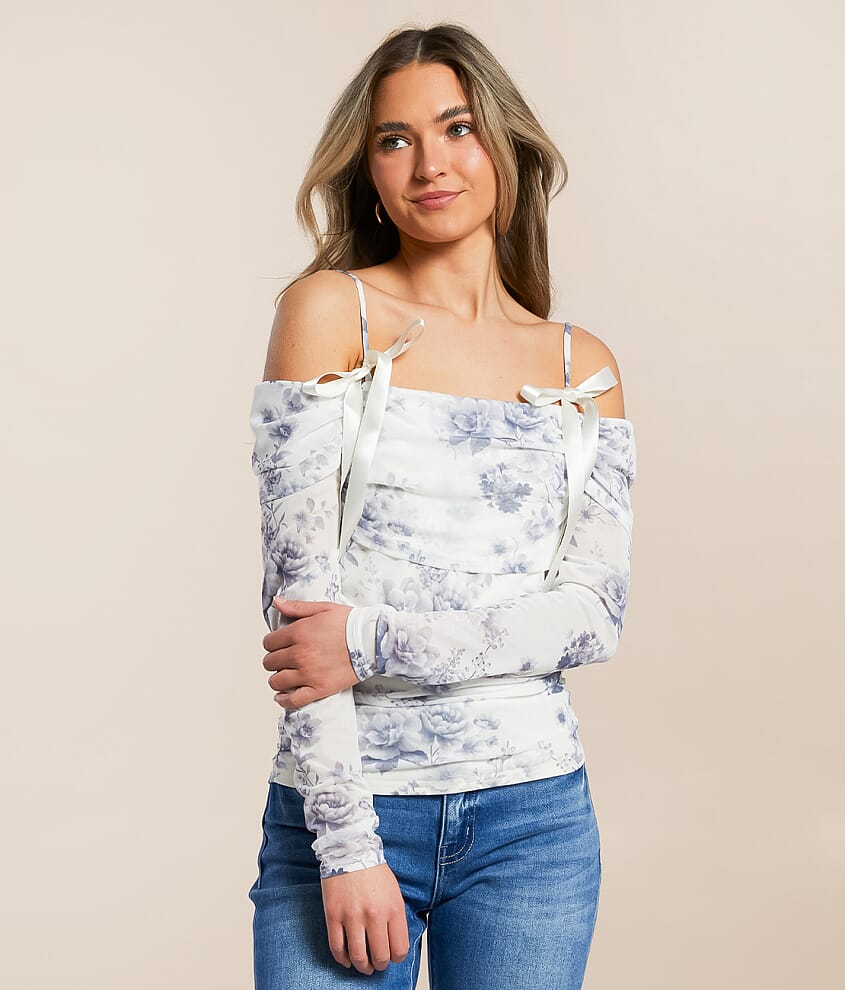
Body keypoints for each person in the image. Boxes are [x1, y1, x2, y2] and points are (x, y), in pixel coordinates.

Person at [246, 22, 637, 990]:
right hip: (349, 803)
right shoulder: (331, 312)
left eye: (456, 127)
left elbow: (592, 615)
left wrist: (368, 640)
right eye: (395, 139)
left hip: (533, 825)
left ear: (502, 142)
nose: (429, 163)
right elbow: (299, 612)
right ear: (369, 172)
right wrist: (346, 846)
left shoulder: (580, 367)